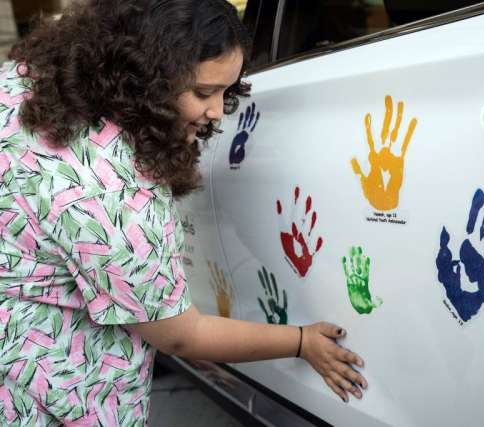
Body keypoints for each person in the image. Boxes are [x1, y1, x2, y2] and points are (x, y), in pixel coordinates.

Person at [0, 0, 367, 425]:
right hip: (40, 392)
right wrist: (302, 341)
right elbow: (179, 333)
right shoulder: (115, 195)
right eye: (204, 92)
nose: (216, 112)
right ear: (146, 80)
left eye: (227, 92)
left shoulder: (30, 82)